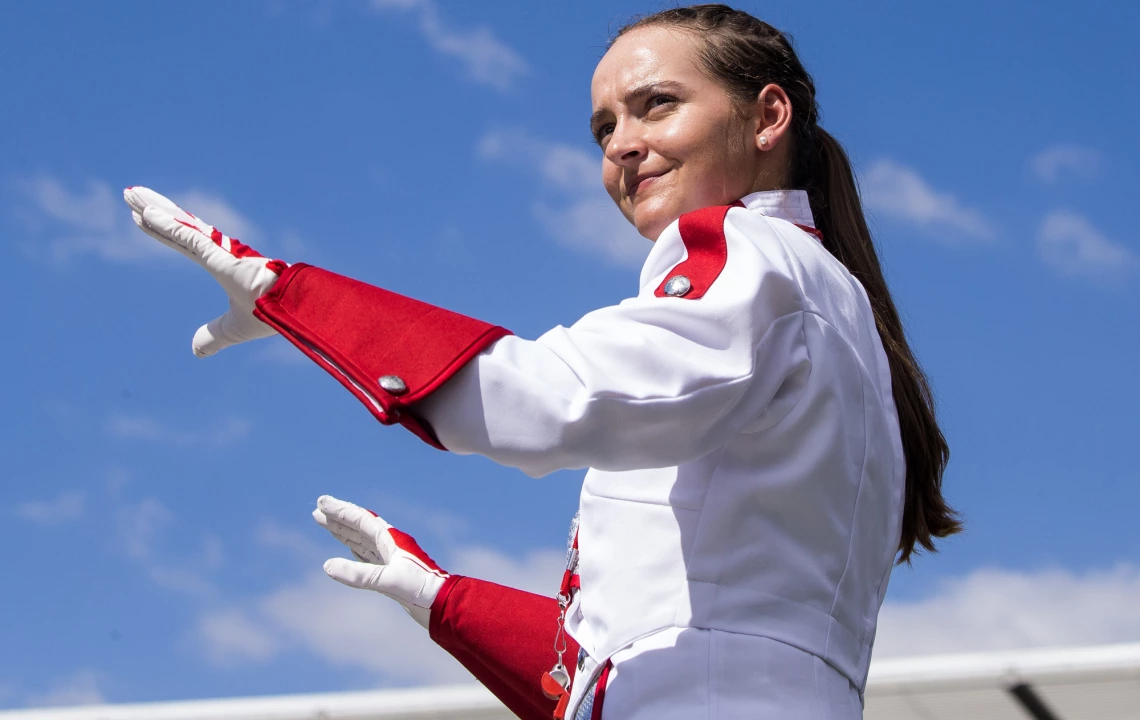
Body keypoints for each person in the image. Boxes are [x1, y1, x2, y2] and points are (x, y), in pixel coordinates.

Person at [122, 5, 960, 718]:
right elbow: (661, 650)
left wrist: (296, 298)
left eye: (657, 105)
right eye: (605, 127)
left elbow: (555, 399)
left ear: (767, 117)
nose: (624, 146)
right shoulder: (820, 296)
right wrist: (447, 601)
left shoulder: (745, 248)